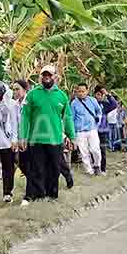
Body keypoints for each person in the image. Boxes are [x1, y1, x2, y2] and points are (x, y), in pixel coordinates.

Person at [19, 65, 75, 205]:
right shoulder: (32, 94)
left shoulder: (61, 96)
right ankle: (37, 195)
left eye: (49, 75)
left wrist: (71, 136)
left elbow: (67, 117)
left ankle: (52, 195)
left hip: (55, 139)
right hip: (35, 139)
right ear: (41, 77)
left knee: (54, 169)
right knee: (36, 168)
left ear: (55, 76)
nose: (46, 77)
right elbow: (25, 117)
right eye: (44, 75)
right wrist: (23, 136)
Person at [70, 83, 104, 176]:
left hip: (92, 129)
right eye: (79, 91)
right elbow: (71, 118)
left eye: (83, 91)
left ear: (87, 91)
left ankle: (97, 166)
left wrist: (98, 122)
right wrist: (72, 133)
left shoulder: (92, 100)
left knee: (95, 150)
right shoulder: (74, 103)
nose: (81, 93)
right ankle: (89, 170)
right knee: (84, 153)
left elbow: (99, 111)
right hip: (80, 132)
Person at [94, 85, 118, 174]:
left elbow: (114, 104)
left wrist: (107, 94)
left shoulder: (105, 104)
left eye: (101, 95)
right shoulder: (91, 104)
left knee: (102, 150)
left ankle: (103, 169)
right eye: (97, 94)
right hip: (93, 131)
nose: (99, 96)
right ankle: (95, 167)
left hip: (103, 131)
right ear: (94, 95)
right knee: (94, 150)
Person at [11, 79, 31, 178]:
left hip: (32, 138)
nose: (15, 92)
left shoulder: (30, 102)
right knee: (21, 163)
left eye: (17, 89)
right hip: (20, 139)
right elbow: (14, 124)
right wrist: (14, 140)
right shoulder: (14, 105)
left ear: (25, 89)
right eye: (13, 89)